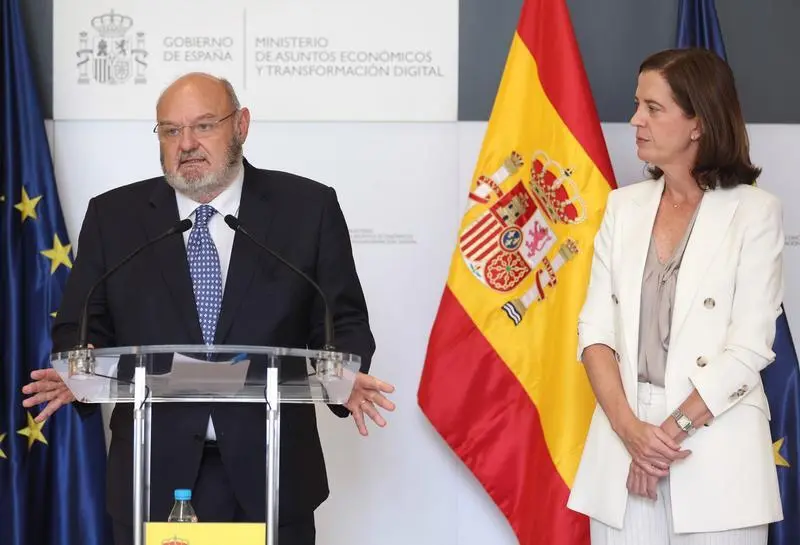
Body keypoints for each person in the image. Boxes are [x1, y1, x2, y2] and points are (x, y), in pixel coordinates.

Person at [22, 72, 395, 545]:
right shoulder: (114, 217)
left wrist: (343, 371)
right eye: (170, 130)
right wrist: (80, 368)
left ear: (241, 125)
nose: (186, 144)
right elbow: (79, 327)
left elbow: (342, 319)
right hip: (152, 477)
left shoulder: (307, 208)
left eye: (203, 126)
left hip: (274, 474)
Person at [566, 48, 784, 544]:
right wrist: (630, 431)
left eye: (653, 108)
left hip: (714, 446)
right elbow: (594, 333)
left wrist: (663, 437)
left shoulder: (755, 213)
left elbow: (749, 348)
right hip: (622, 441)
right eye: (637, 105)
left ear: (698, 123)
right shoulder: (622, 207)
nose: (635, 120)